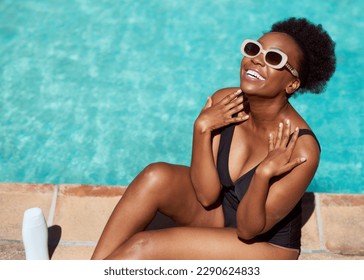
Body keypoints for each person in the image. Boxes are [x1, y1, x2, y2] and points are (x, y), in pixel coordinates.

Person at [91, 17, 336, 260]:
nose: (257, 60)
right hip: (218, 215)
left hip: (263, 246)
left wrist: (263, 174)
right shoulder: (225, 102)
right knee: (155, 176)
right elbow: (206, 195)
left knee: (144, 246)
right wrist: (201, 128)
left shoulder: (301, 149)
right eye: (254, 49)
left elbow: (248, 229)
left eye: (274, 58)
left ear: (292, 84)